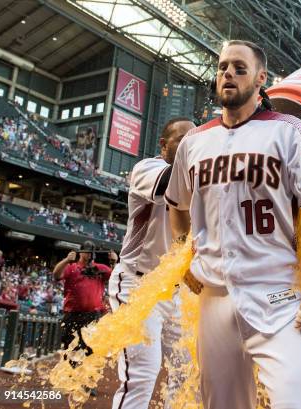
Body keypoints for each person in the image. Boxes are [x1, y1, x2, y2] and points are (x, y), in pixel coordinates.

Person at [166, 40, 301, 409]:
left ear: (261, 79)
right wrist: (183, 253)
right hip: (214, 299)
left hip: (277, 295)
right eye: (223, 66)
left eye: (239, 68)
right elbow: (175, 205)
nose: (228, 73)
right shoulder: (193, 142)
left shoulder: (289, 130)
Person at [108, 117, 195, 409]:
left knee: (187, 372)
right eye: (182, 140)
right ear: (164, 145)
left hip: (174, 290)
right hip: (137, 284)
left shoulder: (199, 182)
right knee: (143, 373)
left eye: (193, 141)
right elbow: (169, 185)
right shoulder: (148, 168)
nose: (188, 147)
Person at [53, 240, 117, 358]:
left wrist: (114, 262)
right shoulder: (72, 267)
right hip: (73, 315)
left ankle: (86, 375)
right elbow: (56, 275)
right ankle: (69, 374)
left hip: (93, 316)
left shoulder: (100, 268)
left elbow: (116, 279)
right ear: (81, 253)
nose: (89, 254)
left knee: (91, 352)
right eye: (87, 251)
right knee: (69, 350)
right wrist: (67, 260)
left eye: (92, 252)